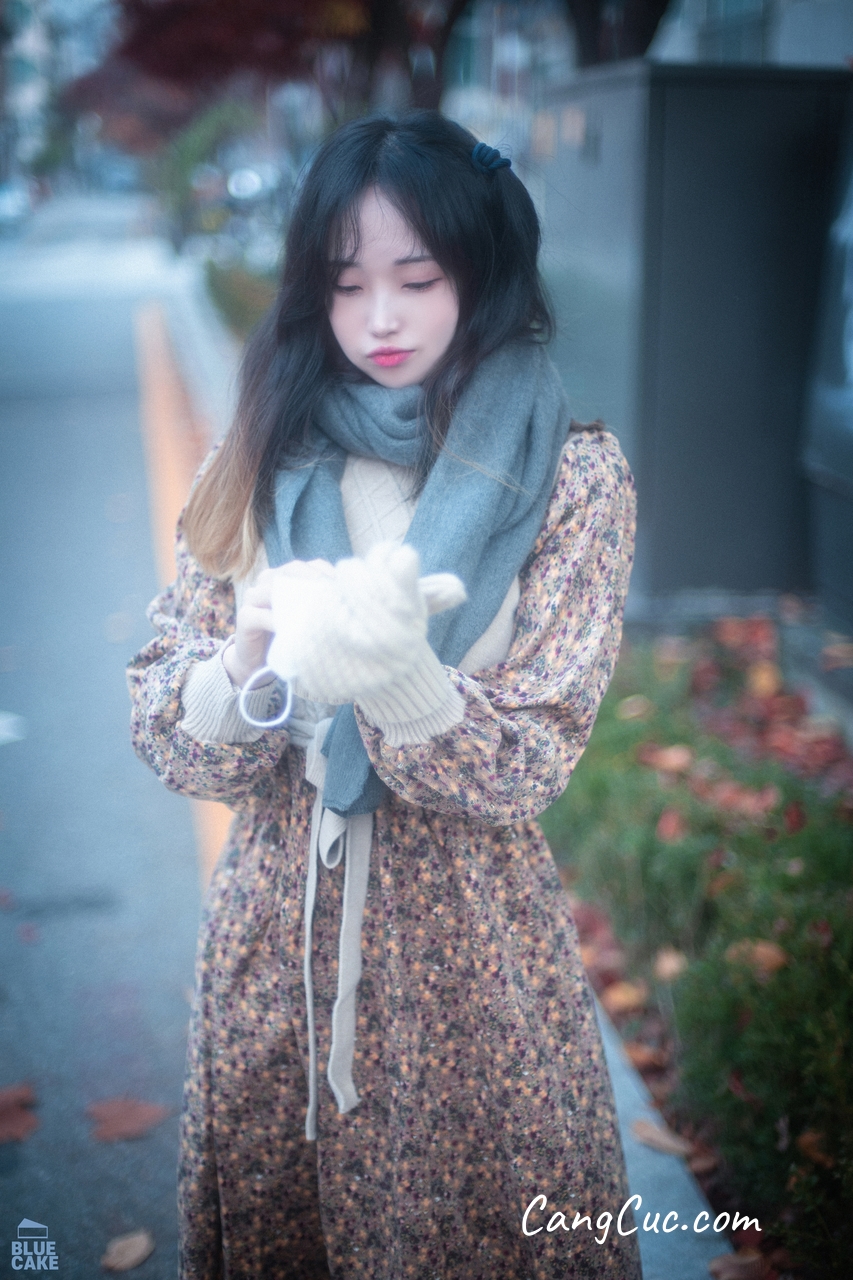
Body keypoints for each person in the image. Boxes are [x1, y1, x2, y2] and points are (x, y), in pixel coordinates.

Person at [127, 111, 641, 1280]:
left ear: (484, 271)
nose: (380, 319)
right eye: (346, 283)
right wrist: (246, 658)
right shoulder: (260, 448)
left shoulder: (574, 474)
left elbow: (536, 757)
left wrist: (402, 680)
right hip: (275, 943)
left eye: (417, 278)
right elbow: (171, 732)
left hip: (472, 961)